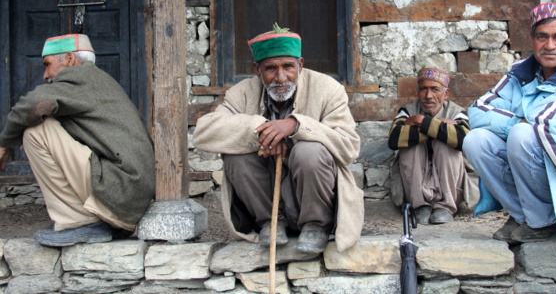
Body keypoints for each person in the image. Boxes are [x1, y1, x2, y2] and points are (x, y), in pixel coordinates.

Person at [193, 24, 363, 254]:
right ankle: (270, 223)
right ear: (257, 69)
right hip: (266, 200)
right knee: (235, 157)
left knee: (309, 152)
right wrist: (262, 130)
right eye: (271, 68)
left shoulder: (328, 89)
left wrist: (296, 126)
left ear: (300, 65)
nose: (281, 77)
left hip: (312, 197)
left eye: (288, 67)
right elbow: (204, 133)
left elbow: (349, 148)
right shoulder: (241, 93)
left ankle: (316, 225)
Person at [463, 3, 556, 243]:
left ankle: (543, 220)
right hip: (539, 169)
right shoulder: (521, 72)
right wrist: (517, 121)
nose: (550, 45)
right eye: (542, 37)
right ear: (532, 40)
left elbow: (551, 121)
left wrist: (520, 123)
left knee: (523, 134)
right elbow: (477, 112)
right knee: (476, 140)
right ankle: (525, 217)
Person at [0, 34, 155, 247]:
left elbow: (32, 104)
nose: (45, 75)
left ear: (70, 59)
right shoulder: (97, 81)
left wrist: (5, 144)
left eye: (48, 65)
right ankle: (94, 221)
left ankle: (79, 222)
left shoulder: (81, 78)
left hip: (122, 190)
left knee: (37, 131)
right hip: (128, 193)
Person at [388, 67, 478, 225]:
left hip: (449, 184)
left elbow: (463, 139)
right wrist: (441, 127)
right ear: (418, 92)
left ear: (446, 93)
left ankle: (445, 206)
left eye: (435, 89)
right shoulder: (407, 111)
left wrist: (420, 122)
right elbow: (394, 139)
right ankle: (420, 206)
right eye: (423, 89)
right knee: (412, 146)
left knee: (447, 144)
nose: (428, 96)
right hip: (415, 185)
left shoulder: (457, 112)